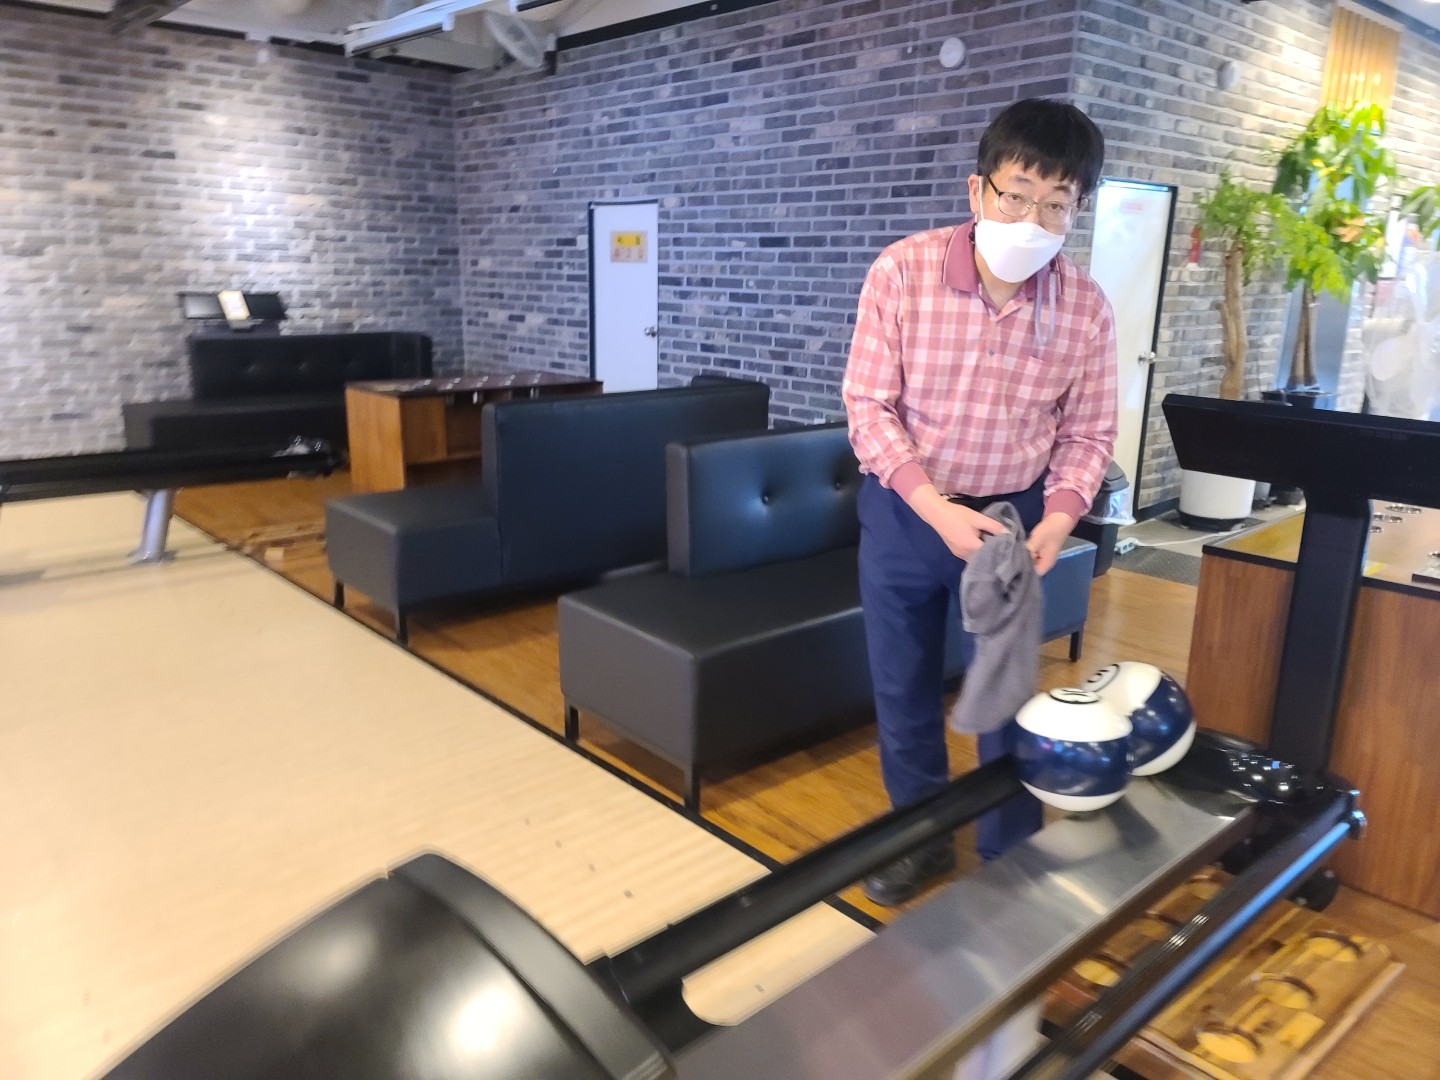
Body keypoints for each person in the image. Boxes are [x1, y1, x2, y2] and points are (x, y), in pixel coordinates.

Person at [842, 97, 1118, 906]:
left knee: (1004, 693)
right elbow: (868, 406)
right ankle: (921, 838)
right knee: (902, 687)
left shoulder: (1085, 307)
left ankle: (1009, 851)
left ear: (1077, 210)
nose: (1033, 219)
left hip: (1012, 520)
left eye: (1057, 204)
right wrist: (932, 507)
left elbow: (1089, 431)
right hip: (907, 510)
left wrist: (1060, 517)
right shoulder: (902, 272)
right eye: (1017, 195)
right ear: (979, 190)